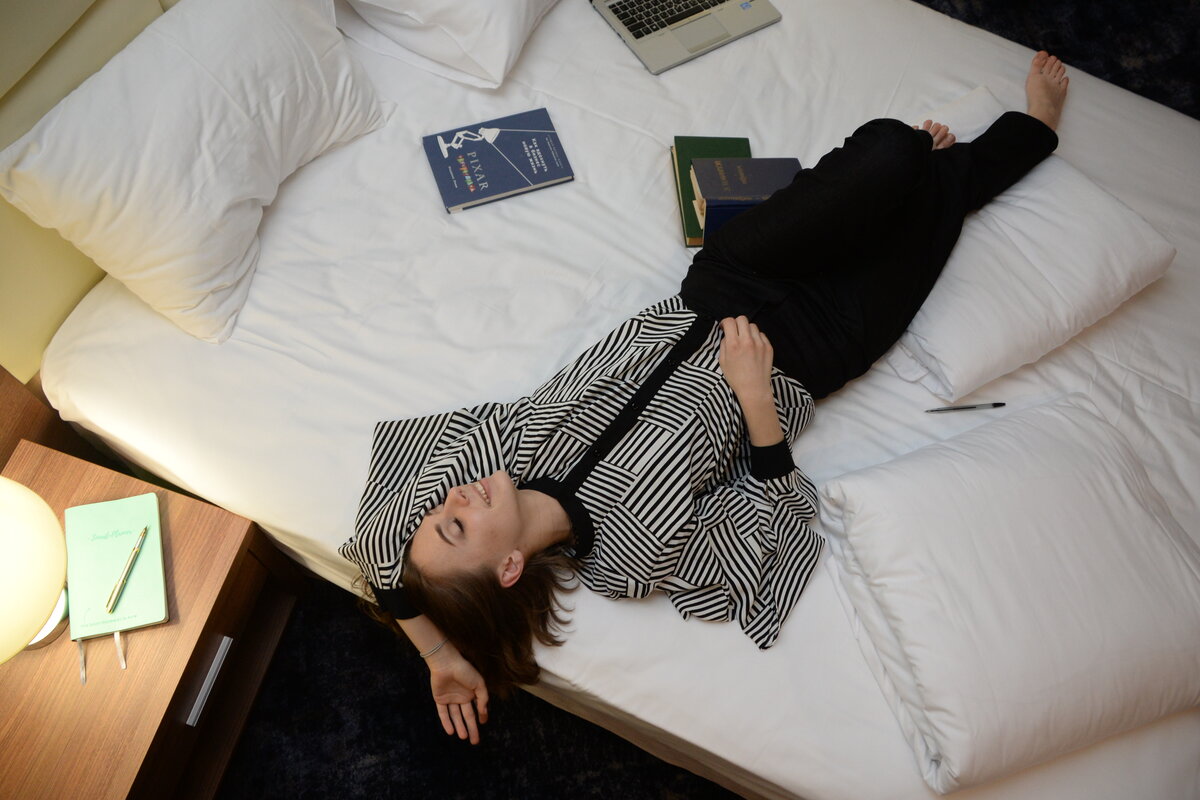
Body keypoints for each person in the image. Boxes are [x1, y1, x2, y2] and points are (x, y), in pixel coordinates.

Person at [340, 52, 1070, 744]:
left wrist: (437, 651)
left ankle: (917, 174)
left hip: (731, 279)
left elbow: (374, 547)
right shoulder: (626, 560)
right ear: (509, 569)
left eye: (437, 513)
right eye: (456, 526)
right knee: (931, 205)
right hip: (814, 349)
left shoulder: (501, 446)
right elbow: (778, 538)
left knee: (894, 150)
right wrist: (756, 401)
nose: (450, 500)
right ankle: (1017, 138)